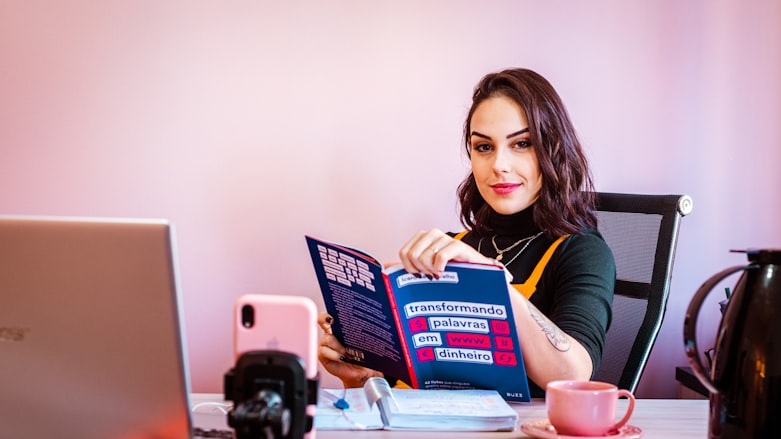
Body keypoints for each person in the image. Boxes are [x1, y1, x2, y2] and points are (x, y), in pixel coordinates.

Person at [317, 68, 615, 398]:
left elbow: (574, 374)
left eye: (521, 144)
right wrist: (359, 378)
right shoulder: (451, 247)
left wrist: (491, 281)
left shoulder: (582, 251)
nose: (499, 164)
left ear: (554, 149)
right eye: (484, 147)